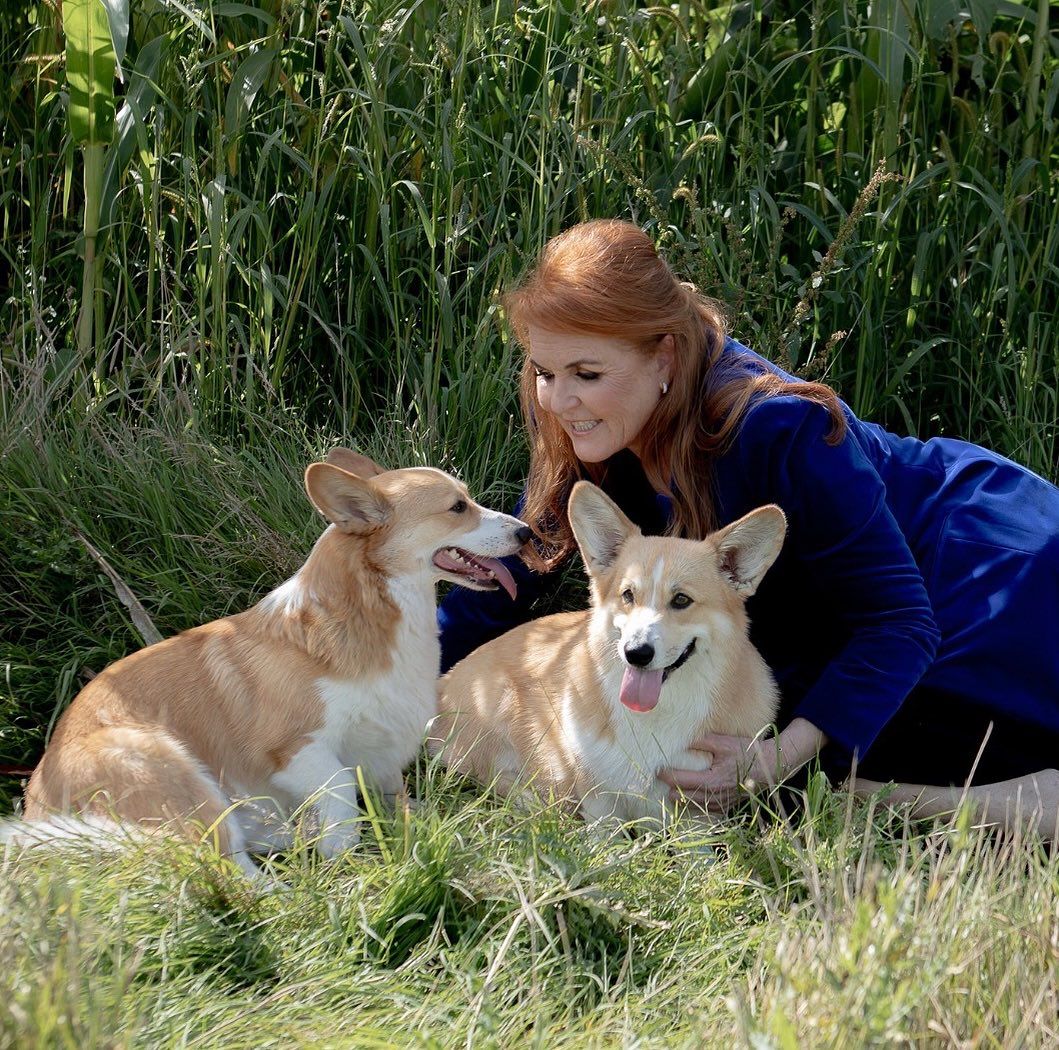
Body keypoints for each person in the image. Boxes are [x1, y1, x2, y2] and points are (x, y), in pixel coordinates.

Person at [437, 218, 1059, 837]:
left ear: (665, 356)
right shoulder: (593, 425)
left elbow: (899, 622)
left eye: (585, 374)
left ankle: (900, 804)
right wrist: (390, 684)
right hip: (830, 616)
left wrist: (773, 760)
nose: (556, 399)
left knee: (843, 753)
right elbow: (525, 567)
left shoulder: (776, 428)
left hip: (978, 574)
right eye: (544, 372)